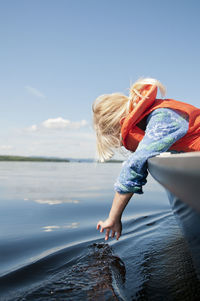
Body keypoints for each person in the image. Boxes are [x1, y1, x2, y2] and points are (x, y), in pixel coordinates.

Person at [92, 78, 200, 241]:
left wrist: (113, 218)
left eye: (119, 140)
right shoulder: (157, 120)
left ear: (119, 125)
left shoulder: (163, 117)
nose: (123, 144)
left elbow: (135, 164)